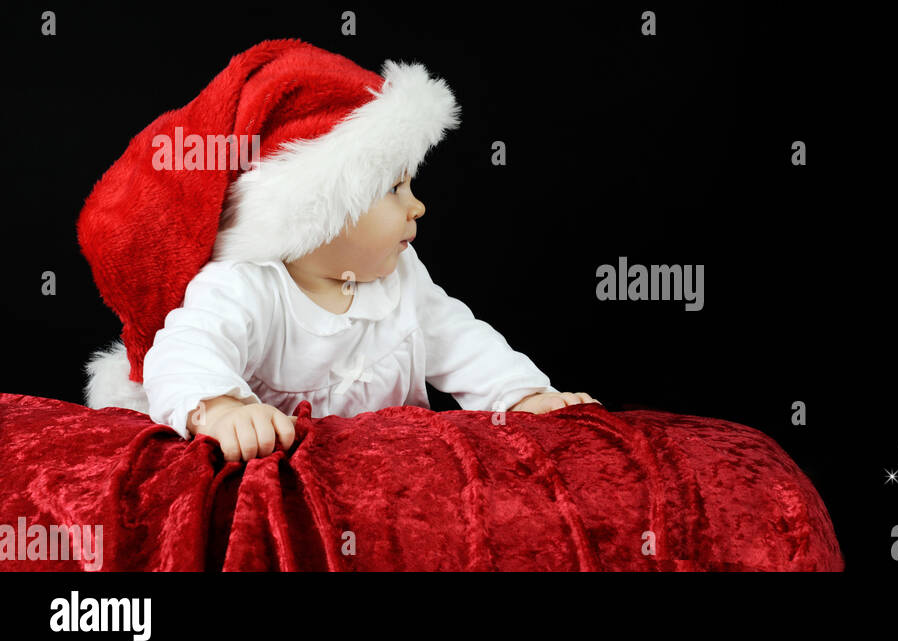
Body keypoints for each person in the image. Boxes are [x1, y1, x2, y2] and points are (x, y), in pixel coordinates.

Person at [78, 39, 598, 464]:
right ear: (318, 212)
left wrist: (522, 395)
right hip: (281, 484)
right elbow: (186, 349)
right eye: (395, 189)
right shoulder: (247, 285)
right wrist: (221, 411)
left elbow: (463, 341)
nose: (417, 207)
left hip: (377, 482)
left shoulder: (402, 279)